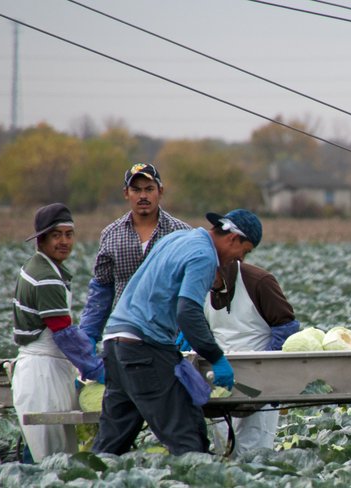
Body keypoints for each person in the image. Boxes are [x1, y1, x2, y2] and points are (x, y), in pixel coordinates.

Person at [92, 209, 257, 456]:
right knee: (187, 437)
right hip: (143, 348)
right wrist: (216, 357)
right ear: (233, 238)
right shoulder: (204, 256)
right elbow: (188, 311)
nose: (239, 260)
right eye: (243, 253)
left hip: (116, 344)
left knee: (112, 442)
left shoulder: (178, 238)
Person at [200, 211, 300, 455]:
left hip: (258, 388)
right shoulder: (199, 280)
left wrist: (265, 370)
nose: (242, 257)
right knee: (226, 456)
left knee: (255, 457)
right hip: (221, 383)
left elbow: (287, 328)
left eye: (245, 253)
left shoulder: (259, 281)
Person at [11, 203, 105, 462]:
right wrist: (94, 367)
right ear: (41, 239)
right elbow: (63, 332)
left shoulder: (41, 267)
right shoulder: (46, 276)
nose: (64, 241)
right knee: (48, 456)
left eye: (68, 234)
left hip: (45, 369)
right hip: (43, 374)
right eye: (56, 235)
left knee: (48, 449)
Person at [80, 162, 190, 349]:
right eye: (136, 190)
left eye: (149, 189)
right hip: (124, 337)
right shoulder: (111, 234)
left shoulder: (182, 233)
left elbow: (194, 287)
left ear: (160, 191)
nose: (143, 196)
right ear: (126, 193)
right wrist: (88, 334)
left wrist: (191, 330)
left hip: (169, 339)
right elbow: (101, 291)